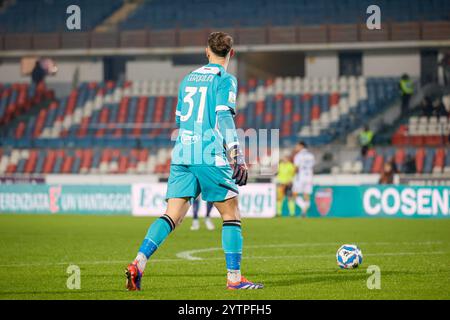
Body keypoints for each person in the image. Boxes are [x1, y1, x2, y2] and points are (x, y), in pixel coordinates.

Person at [125, 32, 263, 291]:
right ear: (231, 54)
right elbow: (224, 117)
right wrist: (237, 155)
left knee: (172, 215)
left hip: (182, 152)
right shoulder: (225, 79)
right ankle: (235, 279)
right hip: (208, 152)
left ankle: (138, 263)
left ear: (206, 51)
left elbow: (179, 121)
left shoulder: (188, 79)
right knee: (231, 214)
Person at [292, 141, 315, 218]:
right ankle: (304, 212)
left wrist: (292, 175)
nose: (296, 148)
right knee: (306, 195)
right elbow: (312, 166)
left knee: (294, 194)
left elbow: (296, 168)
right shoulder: (311, 156)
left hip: (300, 177)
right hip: (309, 177)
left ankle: (303, 207)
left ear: (301, 146)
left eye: (297, 146)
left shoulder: (298, 156)